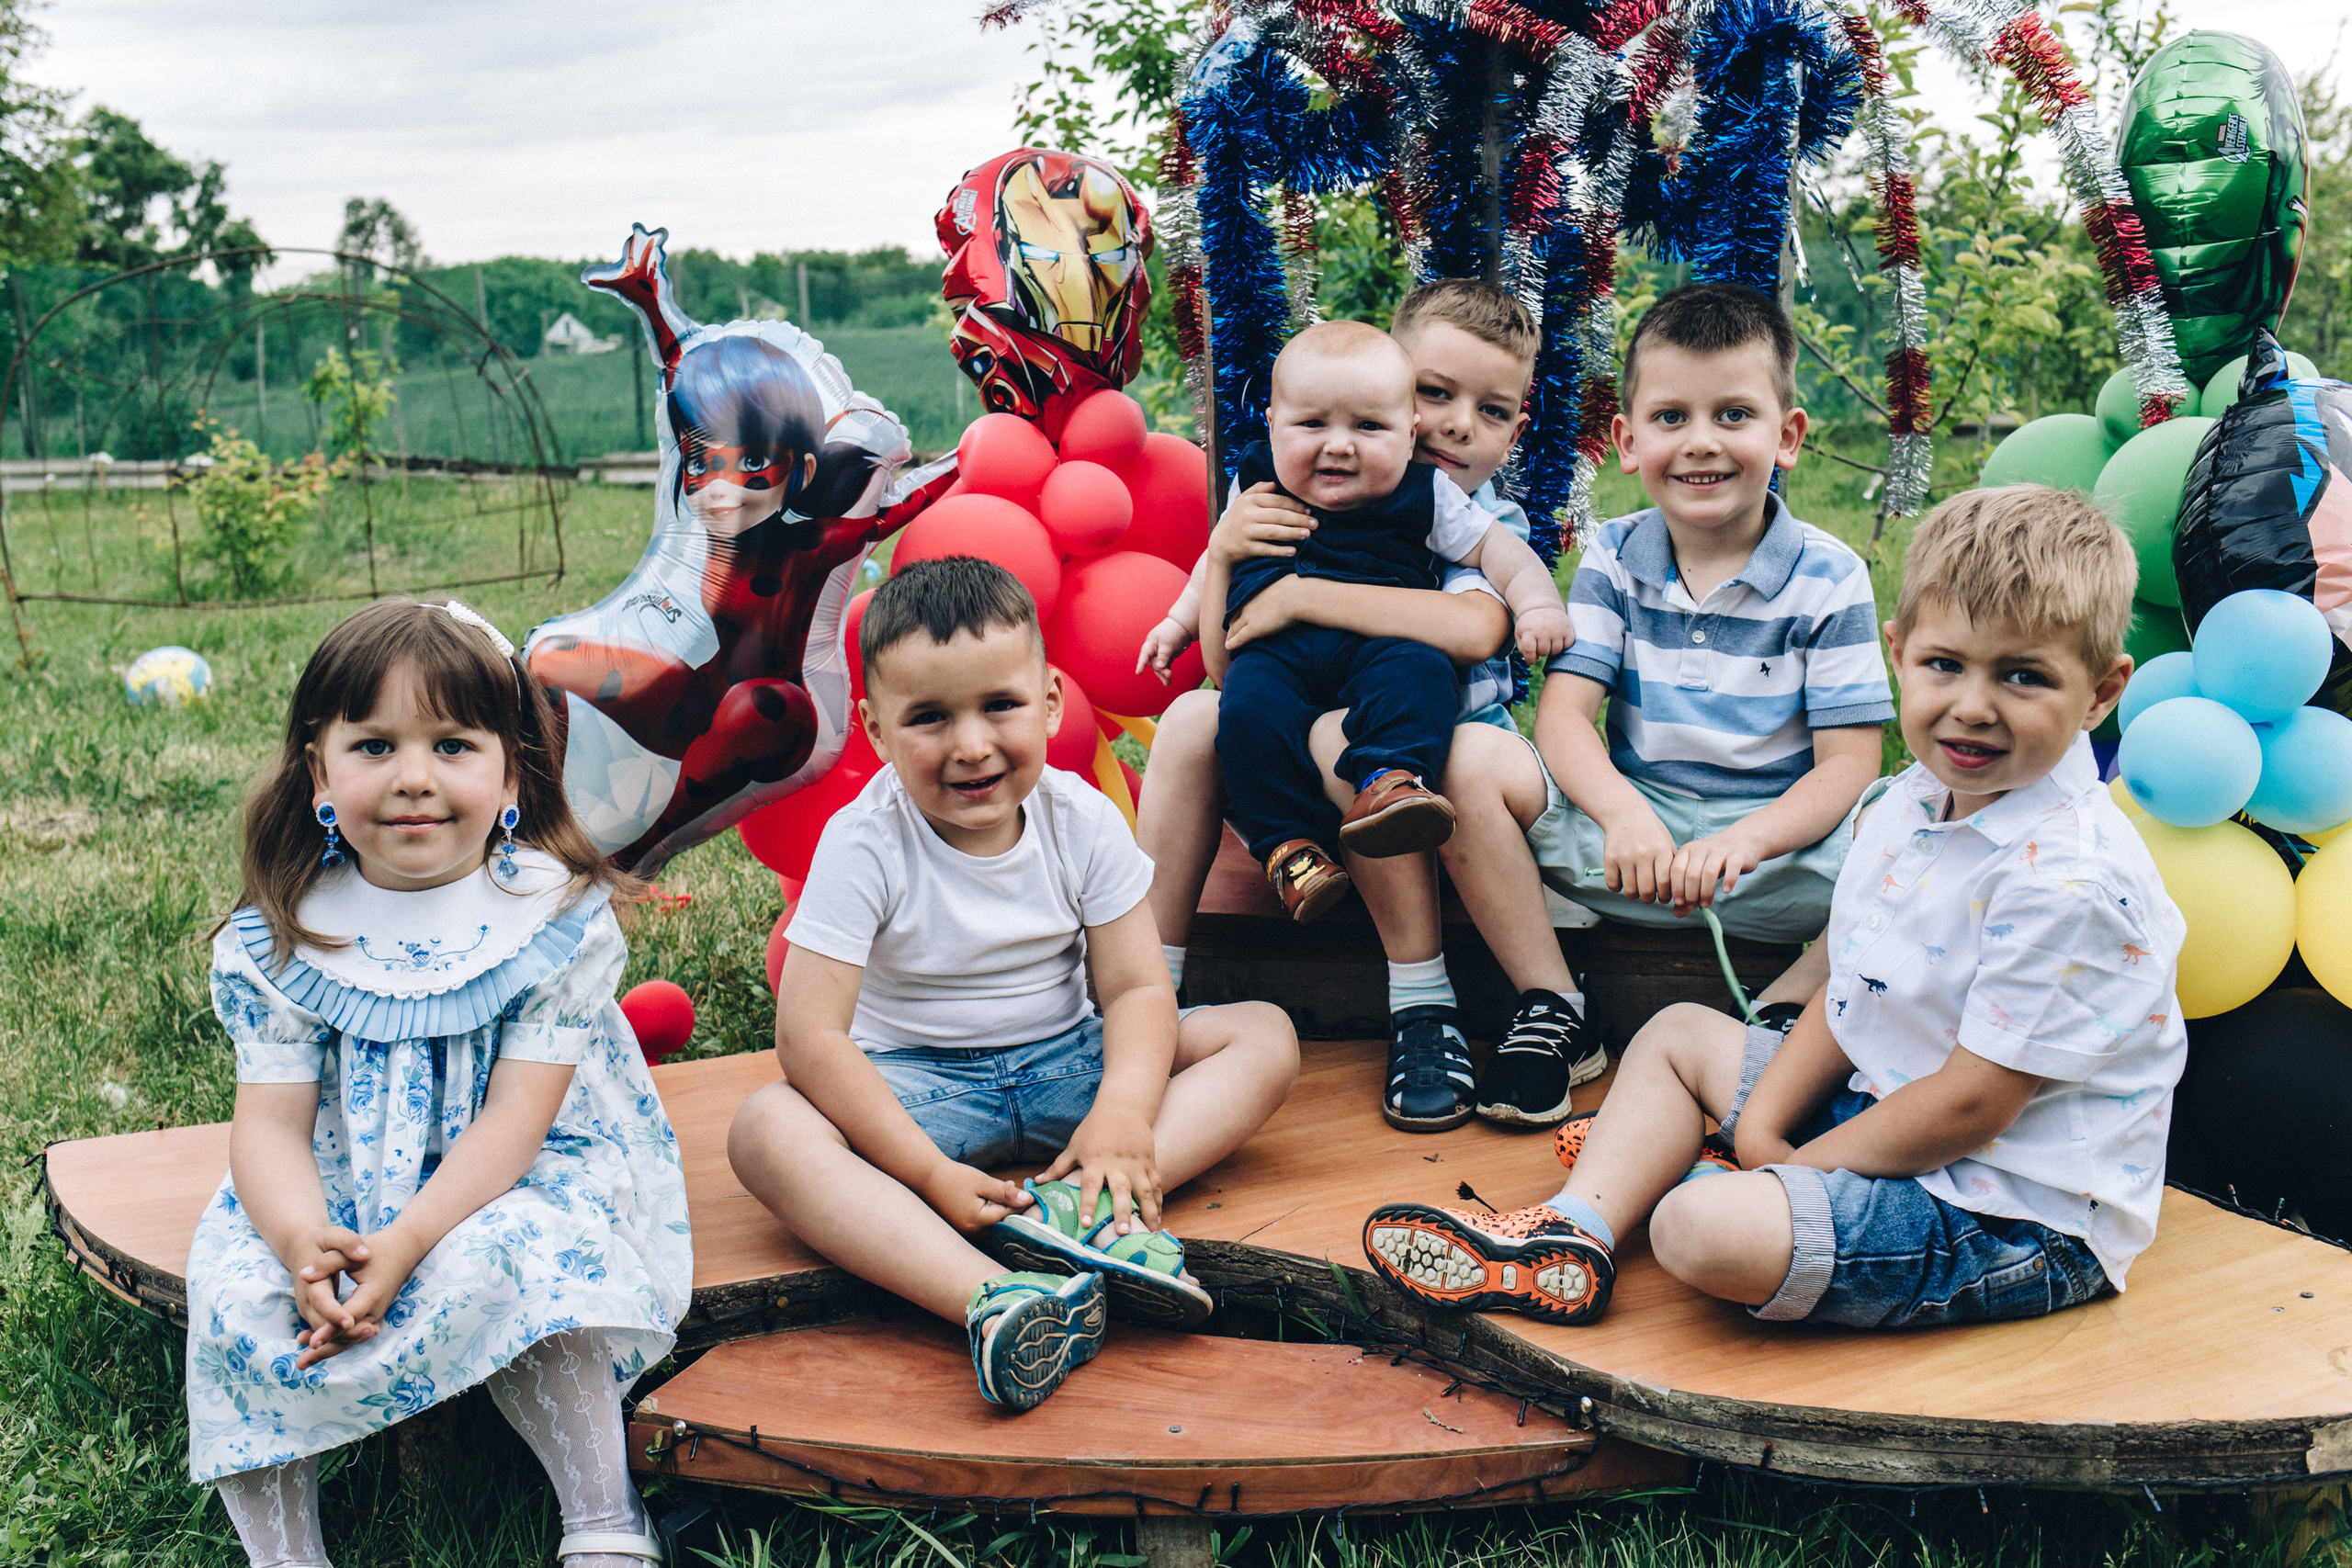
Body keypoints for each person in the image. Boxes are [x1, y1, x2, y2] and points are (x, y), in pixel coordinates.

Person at [1363, 485, 2186, 1332]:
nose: (1974, 706)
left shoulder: (2067, 881)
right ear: (1899, 653)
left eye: (2023, 677)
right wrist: (1762, 1128)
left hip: (2004, 1204)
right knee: (1679, 1034)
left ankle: (1682, 1169)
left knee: (1697, 1228)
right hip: (1883, 1100)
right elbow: (1852, 983)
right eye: (1946, 665)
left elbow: (1970, 1106)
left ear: (2101, 692)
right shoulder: (1912, 799)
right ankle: (1573, 1232)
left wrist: (1788, 1168)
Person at [728, 558, 1298, 1412]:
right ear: (876, 730)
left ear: (1050, 701)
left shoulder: (1082, 819)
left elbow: (1138, 990)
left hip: (1066, 1061)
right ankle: (995, 1295)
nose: (971, 745)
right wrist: (925, 1171)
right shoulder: (864, 840)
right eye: (929, 716)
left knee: (1263, 1036)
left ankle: (1084, 1206)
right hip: (920, 1087)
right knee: (766, 1128)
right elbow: (810, 1036)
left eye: (1000, 704)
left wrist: (1123, 1112)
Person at [190, 598, 688, 1568]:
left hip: (516, 1172)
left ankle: (603, 1519)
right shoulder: (288, 932)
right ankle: (285, 1556)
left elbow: (518, 1119)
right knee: (237, 1291)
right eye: (374, 746)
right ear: (319, 774)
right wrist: (301, 1243)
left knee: (526, 1254)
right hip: (334, 1185)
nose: (414, 777)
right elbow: (271, 1129)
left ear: (512, 774)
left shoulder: (549, 916)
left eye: (453, 744)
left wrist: (412, 1238)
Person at [1428, 280, 1894, 1127]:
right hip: (1627, 854)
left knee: (1913, 819)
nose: (1700, 442)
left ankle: (1787, 1009)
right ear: (1629, 440)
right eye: (1672, 416)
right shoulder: (1615, 554)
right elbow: (1564, 716)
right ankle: (1553, 1004)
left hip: (1783, 865)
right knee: (1468, 757)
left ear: (1788, 436)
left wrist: (1746, 841)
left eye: (1733, 415)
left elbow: (1852, 763)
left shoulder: (1830, 576)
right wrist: (1623, 815)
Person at [1136, 280, 1595, 1133]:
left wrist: (1304, 595)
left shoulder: (1460, 510)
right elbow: (1226, 668)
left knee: (1356, 726)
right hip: (1305, 763)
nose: (1455, 426)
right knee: (1196, 719)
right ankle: (1144, 990)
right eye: (1435, 394)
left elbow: (1473, 628)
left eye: (1490, 410)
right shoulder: (1282, 487)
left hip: (1440, 781)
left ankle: (1430, 1002)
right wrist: (1222, 560)